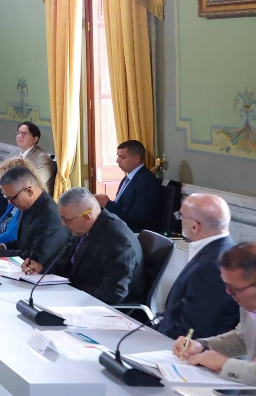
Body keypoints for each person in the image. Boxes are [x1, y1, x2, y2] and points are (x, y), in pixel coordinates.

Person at [33, 187, 143, 305]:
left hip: (103, 308)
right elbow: (65, 264)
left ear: (87, 217)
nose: (63, 224)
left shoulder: (119, 241)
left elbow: (113, 293)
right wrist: (43, 268)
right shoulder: (84, 227)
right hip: (76, 294)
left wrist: (73, 299)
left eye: (66, 220)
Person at [173, 242, 256, 385]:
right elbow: (242, 337)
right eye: (226, 285)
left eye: (233, 288)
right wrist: (202, 346)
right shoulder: (248, 301)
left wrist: (223, 363)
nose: (228, 292)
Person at [158, 194, 239, 341]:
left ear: (194, 226)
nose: (179, 220)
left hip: (181, 347)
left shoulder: (211, 268)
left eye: (181, 216)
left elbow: (193, 330)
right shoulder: (222, 249)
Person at [0, 165, 71, 273]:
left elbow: (35, 258)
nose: (10, 202)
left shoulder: (50, 216)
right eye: (7, 197)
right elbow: (26, 242)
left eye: (11, 198)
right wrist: (4, 247)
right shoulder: (28, 206)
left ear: (29, 191)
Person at [94, 140, 161, 233]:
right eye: (118, 156)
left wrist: (108, 204)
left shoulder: (146, 181)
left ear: (136, 158)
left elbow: (138, 216)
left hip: (134, 232)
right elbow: (121, 206)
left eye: (122, 157)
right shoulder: (127, 179)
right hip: (120, 227)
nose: (117, 161)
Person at [14, 121, 56, 194]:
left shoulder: (42, 159)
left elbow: (36, 185)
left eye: (25, 134)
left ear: (35, 139)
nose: (20, 136)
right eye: (19, 133)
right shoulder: (14, 152)